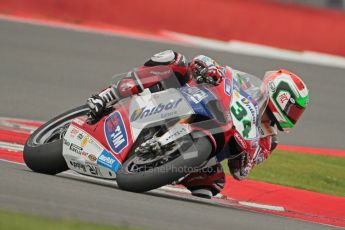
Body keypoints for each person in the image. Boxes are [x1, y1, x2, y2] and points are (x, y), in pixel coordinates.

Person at [87, 50, 309, 199]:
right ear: (280, 95)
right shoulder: (246, 86)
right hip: (190, 101)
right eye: (294, 108)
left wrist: (246, 159)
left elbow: (240, 173)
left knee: (212, 185)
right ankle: (110, 94)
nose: (293, 115)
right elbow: (205, 63)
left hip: (205, 143)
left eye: (297, 112)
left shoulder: (268, 141)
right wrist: (209, 69)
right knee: (174, 60)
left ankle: (169, 168)